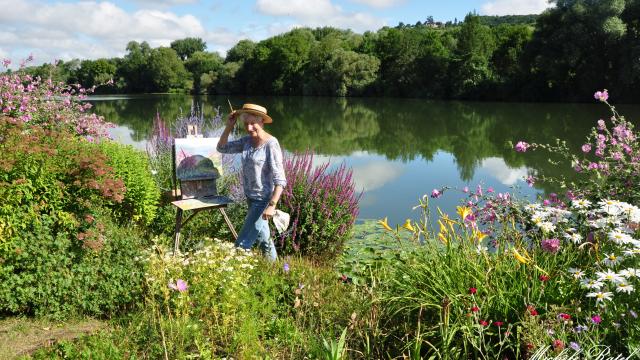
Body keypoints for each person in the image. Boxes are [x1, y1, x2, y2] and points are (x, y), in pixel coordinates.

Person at [217, 103, 286, 261]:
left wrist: (272, 205)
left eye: (253, 123)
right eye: (246, 124)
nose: (249, 128)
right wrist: (229, 126)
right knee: (264, 239)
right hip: (250, 196)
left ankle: (234, 272)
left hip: (263, 200)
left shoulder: (271, 144)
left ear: (262, 121)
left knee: (242, 242)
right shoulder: (246, 141)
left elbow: (280, 179)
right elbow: (221, 148)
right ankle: (276, 270)